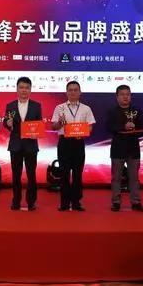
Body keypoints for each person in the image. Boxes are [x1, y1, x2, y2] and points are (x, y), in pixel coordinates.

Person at [50, 81, 96, 212]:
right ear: (66, 92)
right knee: (64, 173)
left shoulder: (86, 109)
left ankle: (76, 202)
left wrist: (83, 133)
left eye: (75, 90)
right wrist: (60, 122)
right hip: (64, 143)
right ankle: (64, 203)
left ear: (80, 92)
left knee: (77, 174)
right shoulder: (59, 108)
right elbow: (54, 127)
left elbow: (90, 126)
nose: (73, 92)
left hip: (78, 143)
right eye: (70, 90)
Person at [4, 77, 42, 211]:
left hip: (31, 145)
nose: (24, 90)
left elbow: (39, 124)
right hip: (15, 145)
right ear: (17, 89)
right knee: (16, 175)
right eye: (21, 87)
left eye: (27, 87)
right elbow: (6, 122)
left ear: (30, 90)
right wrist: (8, 124)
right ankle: (16, 201)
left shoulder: (36, 106)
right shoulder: (10, 106)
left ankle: (31, 202)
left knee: (31, 175)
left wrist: (36, 131)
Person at [107, 84, 143, 212]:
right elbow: (108, 128)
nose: (125, 97)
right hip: (117, 149)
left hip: (133, 149)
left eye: (128, 94)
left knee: (134, 178)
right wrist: (124, 127)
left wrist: (134, 129)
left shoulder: (137, 111)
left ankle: (136, 202)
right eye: (122, 94)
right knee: (116, 178)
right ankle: (116, 202)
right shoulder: (112, 111)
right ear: (117, 97)